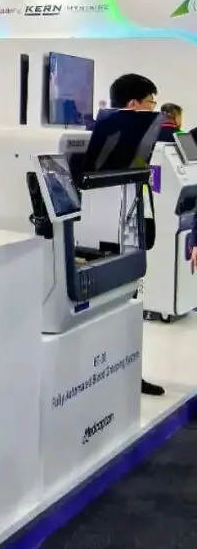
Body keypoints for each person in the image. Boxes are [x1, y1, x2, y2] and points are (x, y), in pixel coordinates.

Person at [107, 73, 165, 398]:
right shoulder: (110, 141)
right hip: (116, 241)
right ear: (133, 104)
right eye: (150, 103)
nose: (154, 110)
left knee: (133, 307)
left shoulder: (138, 141)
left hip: (135, 236)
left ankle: (132, 371)